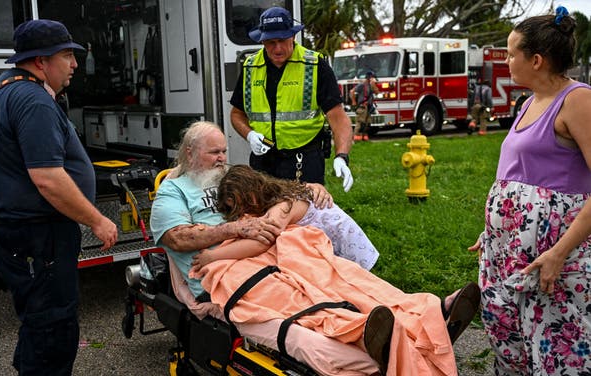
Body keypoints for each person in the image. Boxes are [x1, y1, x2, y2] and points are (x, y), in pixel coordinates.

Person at [150, 121, 480, 375]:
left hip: (271, 245)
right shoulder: (173, 193)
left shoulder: (228, 179)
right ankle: (364, 335)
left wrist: (306, 189)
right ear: (190, 154)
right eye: (214, 153)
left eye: (224, 151)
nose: (222, 158)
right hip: (228, 269)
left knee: (339, 275)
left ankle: (430, 311)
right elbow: (178, 237)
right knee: (296, 300)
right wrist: (236, 229)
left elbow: (269, 192)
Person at [0, 19, 118, 375]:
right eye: (67, 55)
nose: (74, 65)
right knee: (54, 330)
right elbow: (48, 179)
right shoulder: (32, 100)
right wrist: (97, 220)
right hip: (40, 238)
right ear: (40, 61)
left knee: (38, 323)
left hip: (19, 236)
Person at [468, 7, 591, 375]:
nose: (505, 62)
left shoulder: (578, 101)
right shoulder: (526, 104)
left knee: (557, 350)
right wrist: (494, 232)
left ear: (536, 60)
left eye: (510, 54)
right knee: (510, 343)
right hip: (507, 252)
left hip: (554, 257)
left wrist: (558, 253)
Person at [229, 7, 354, 192]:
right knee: (265, 216)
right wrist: (249, 134)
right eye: (271, 42)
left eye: (282, 41)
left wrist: (341, 156)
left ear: (293, 37)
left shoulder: (314, 65)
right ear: (262, 40)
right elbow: (237, 114)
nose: (277, 48)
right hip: (264, 161)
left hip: (304, 159)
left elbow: (338, 117)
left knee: (306, 215)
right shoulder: (250, 67)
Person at [193, 164, 379, 271]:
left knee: (357, 279)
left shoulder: (282, 207)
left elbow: (262, 242)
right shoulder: (281, 192)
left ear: (254, 189)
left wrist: (213, 256)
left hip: (348, 244)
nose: (244, 212)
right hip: (341, 237)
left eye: (244, 204)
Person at [350, 70, 380, 141]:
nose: (374, 80)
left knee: (367, 123)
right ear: (369, 78)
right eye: (373, 78)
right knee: (360, 122)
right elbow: (352, 91)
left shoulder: (371, 86)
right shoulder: (362, 85)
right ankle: (357, 137)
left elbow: (377, 92)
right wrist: (354, 102)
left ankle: (364, 137)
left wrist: (373, 85)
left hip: (369, 107)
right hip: (362, 107)